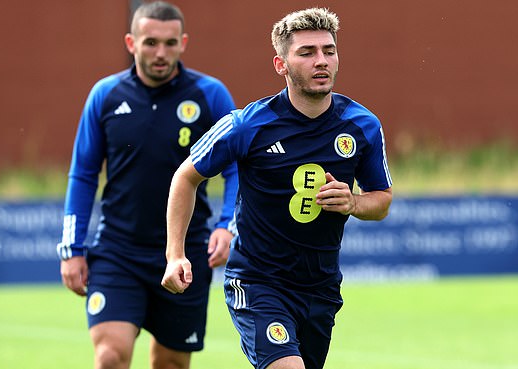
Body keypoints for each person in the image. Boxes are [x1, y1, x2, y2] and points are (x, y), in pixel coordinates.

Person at [161, 7, 393, 369]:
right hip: (257, 282)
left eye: (328, 51)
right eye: (307, 52)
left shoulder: (362, 125)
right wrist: (175, 253)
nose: (322, 61)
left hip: (321, 288)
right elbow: (186, 176)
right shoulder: (246, 126)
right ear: (280, 64)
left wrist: (353, 201)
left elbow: (382, 202)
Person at [56, 2, 238, 369]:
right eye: (151, 42)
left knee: (170, 364)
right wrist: (72, 248)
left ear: (183, 42)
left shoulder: (211, 95)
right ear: (131, 42)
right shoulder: (105, 95)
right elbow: (83, 173)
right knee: (110, 357)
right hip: (117, 251)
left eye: (170, 43)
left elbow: (236, 169)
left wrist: (226, 225)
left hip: (186, 253)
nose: (161, 53)